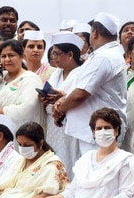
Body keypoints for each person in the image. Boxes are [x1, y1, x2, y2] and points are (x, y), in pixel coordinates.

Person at [53, 12, 127, 156]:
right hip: (96, 131)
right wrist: (64, 98)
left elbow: (80, 94)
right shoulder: (107, 54)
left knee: (98, 175)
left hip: (100, 132)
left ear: (95, 33)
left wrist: (60, 108)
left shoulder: (104, 57)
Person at [40, 32, 83, 180]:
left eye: (57, 54)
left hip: (70, 128)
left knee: (70, 161)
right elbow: (51, 102)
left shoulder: (82, 74)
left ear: (70, 55)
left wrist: (64, 98)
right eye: (53, 55)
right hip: (53, 128)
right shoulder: (56, 74)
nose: (54, 59)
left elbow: (79, 99)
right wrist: (46, 100)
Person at [0, 39, 43, 129]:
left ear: (22, 57)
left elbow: (29, 107)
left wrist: (1, 111)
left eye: (11, 55)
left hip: (19, 133)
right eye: (3, 56)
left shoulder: (31, 79)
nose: (7, 59)